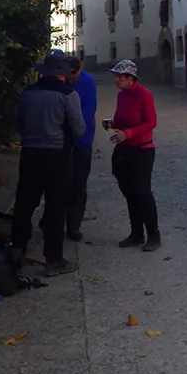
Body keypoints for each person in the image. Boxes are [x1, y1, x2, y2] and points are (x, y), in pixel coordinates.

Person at [12, 52, 85, 277]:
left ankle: (16, 253)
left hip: (30, 154)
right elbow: (78, 128)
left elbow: (19, 122)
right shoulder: (68, 95)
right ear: (63, 74)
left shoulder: (27, 93)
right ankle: (54, 260)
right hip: (56, 156)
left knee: (24, 204)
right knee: (55, 208)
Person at [106, 60, 161, 251]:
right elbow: (122, 118)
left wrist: (127, 133)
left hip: (142, 150)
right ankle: (136, 233)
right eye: (116, 76)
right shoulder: (122, 96)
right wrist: (113, 123)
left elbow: (151, 122)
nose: (116, 80)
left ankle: (154, 235)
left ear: (131, 78)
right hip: (124, 149)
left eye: (120, 76)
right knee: (129, 192)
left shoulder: (144, 95)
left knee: (142, 192)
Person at [65, 56, 97, 242]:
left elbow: (89, 109)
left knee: (78, 184)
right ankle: (54, 221)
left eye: (73, 75)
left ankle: (74, 226)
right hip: (62, 142)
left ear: (79, 70)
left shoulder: (87, 82)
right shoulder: (62, 79)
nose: (71, 79)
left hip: (82, 140)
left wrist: (73, 128)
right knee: (61, 183)